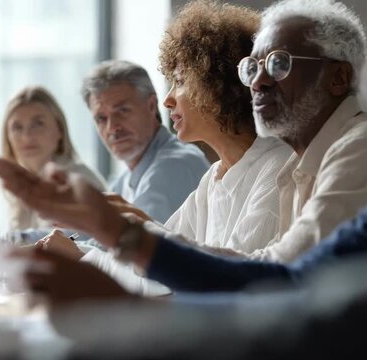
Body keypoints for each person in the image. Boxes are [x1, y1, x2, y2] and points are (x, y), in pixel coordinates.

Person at [0, 0, 367, 299]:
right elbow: (269, 277)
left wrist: (121, 234)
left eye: (278, 64)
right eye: (251, 67)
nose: (257, 80)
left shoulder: (357, 149)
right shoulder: (299, 163)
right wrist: (116, 236)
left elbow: (275, 282)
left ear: (337, 78)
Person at [38, 0, 291, 296]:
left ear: (218, 85)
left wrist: (107, 243)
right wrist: (78, 251)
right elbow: (157, 270)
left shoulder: (278, 171)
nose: (168, 100)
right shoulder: (214, 180)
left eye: (180, 81)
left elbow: (225, 281)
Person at [82, 60, 210, 224]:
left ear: (151, 105)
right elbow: (88, 232)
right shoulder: (126, 178)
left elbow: (138, 245)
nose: (112, 127)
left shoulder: (174, 165)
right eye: (101, 118)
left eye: (122, 110)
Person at [0, 86, 106, 232]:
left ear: (60, 130)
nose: (27, 136)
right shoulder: (22, 186)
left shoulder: (77, 180)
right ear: (7, 137)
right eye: (17, 127)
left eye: (38, 124)